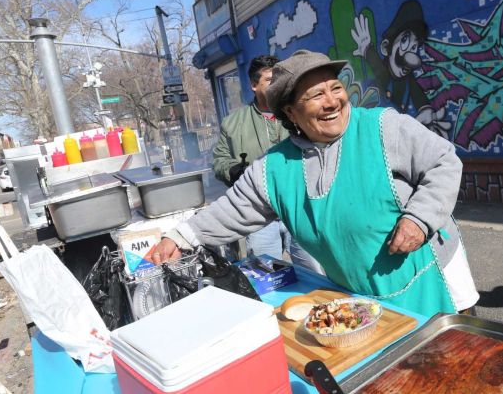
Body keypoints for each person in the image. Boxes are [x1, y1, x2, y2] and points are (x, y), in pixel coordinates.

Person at [155, 50, 478, 317]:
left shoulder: (383, 127)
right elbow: (234, 210)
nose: (332, 102)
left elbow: (444, 162)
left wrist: (419, 219)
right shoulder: (274, 168)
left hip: (433, 279)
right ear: (291, 112)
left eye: (336, 89)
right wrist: (182, 236)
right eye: (316, 95)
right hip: (362, 294)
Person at [211, 55, 323, 274]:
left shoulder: (298, 112)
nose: (276, 85)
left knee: (313, 270)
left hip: (300, 206)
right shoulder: (233, 123)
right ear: (254, 85)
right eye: (270, 80)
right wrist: (233, 170)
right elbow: (219, 161)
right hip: (260, 212)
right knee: (267, 272)